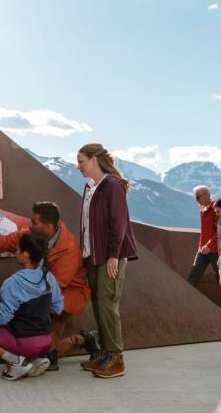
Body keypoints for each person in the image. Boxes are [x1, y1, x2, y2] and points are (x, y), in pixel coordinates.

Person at [0, 201, 95, 370]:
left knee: (48, 350)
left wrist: (20, 295)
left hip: (67, 296)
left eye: (34, 222)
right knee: (40, 345)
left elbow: (55, 288)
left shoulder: (69, 248)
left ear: (48, 226)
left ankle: (83, 339)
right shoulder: (29, 235)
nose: (29, 225)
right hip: (43, 292)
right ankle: (41, 353)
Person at [76, 143, 138, 379]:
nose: (78, 166)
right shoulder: (90, 186)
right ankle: (104, 353)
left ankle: (116, 357)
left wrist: (113, 254)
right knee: (98, 302)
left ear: (93, 160)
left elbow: (119, 223)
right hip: (93, 256)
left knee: (108, 303)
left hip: (110, 256)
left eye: (81, 161)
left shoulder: (112, 185)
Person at [0, 232, 63, 380]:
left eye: (17, 250)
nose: (15, 253)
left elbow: (2, 319)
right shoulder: (49, 277)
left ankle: (16, 361)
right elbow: (58, 308)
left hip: (27, 343)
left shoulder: (13, 282)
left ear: (25, 255)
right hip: (47, 341)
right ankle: (33, 359)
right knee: (13, 323)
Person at [187, 185, 220, 287]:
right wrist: (202, 246)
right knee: (193, 275)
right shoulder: (202, 208)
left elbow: (220, 230)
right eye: (195, 198)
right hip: (202, 250)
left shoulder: (216, 208)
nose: (196, 200)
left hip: (216, 250)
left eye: (198, 197)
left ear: (207, 195)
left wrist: (209, 245)